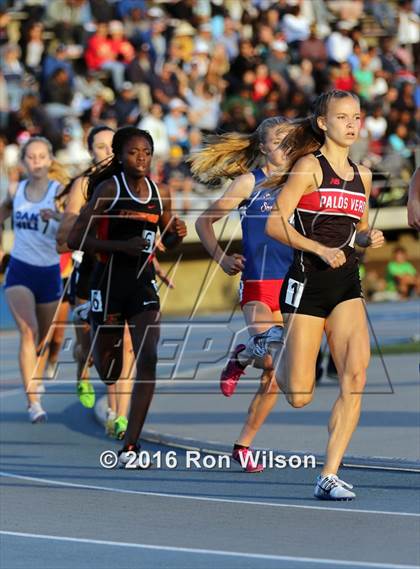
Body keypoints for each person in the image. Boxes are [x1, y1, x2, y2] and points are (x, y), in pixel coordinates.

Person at [264, 90, 385, 500]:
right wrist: (318, 248)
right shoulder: (307, 169)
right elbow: (275, 226)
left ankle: (328, 473)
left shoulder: (363, 176)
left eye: (356, 117)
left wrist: (369, 237)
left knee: (356, 376)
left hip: (346, 284)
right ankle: (267, 342)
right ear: (322, 123)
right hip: (307, 282)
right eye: (342, 117)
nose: (351, 124)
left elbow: (358, 228)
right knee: (299, 395)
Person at [67, 127, 187, 464]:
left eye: (147, 152)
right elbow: (76, 239)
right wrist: (121, 246)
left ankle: (131, 445)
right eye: (135, 152)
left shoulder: (160, 192)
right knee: (110, 371)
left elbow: (167, 237)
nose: (142, 158)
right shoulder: (108, 189)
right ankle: (89, 330)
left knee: (148, 357)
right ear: (120, 156)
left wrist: (176, 234)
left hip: (142, 283)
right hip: (106, 283)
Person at [192, 117, 294, 472]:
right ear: (263, 147)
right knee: (270, 357)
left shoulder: (303, 180)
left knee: (277, 374)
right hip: (258, 283)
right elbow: (203, 222)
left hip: (293, 284)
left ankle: (243, 444)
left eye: (290, 140)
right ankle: (246, 355)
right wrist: (221, 259)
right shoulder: (249, 182)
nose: (285, 146)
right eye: (278, 141)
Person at [0, 136, 64, 422]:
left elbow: (73, 229)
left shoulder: (59, 191)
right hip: (20, 270)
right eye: (31, 157)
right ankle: (33, 403)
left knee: (42, 338)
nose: (36, 162)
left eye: (41, 156)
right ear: (24, 161)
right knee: (29, 331)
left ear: (50, 160)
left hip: (49, 271)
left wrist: (59, 218)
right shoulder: (16, 190)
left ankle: (45, 362)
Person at [56, 125, 115, 413]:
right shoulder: (83, 184)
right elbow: (66, 228)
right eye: (101, 146)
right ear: (90, 150)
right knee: (87, 344)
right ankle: (82, 370)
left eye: (112, 145)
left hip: (114, 266)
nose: (108, 152)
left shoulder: (127, 179)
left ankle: (118, 408)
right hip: (87, 264)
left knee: (116, 339)